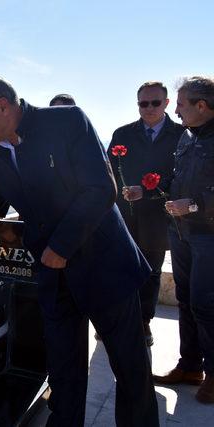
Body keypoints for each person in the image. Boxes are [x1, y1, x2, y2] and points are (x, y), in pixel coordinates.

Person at [0, 76, 158, 426]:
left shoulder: (67, 121)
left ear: (3, 105)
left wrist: (61, 246)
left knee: (130, 368)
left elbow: (102, 188)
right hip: (54, 276)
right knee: (63, 372)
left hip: (104, 267)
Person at [133, 76, 214, 404]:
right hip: (181, 233)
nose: (175, 111)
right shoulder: (188, 137)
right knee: (186, 302)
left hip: (208, 235)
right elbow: (178, 178)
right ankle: (191, 366)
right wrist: (149, 188)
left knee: (206, 305)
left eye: (180, 104)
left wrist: (192, 205)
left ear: (201, 106)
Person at [108, 81, 184, 346]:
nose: (149, 108)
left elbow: (183, 178)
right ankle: (118, 319)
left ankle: (143, 322)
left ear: (166, 103)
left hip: (158, 218)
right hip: (124, 217)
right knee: (120, 269)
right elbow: (110, 174)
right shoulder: (122, 134)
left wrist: (149, 191)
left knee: (150, 273)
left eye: (155, 102)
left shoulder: (181, 134)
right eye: (143, 103)